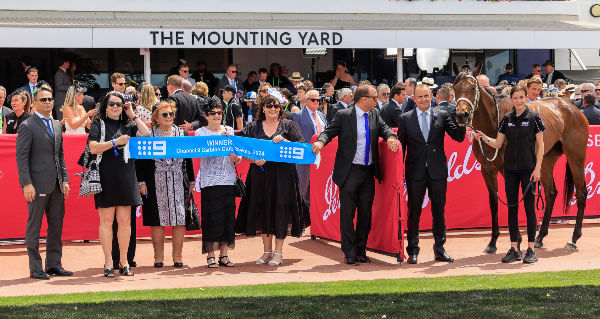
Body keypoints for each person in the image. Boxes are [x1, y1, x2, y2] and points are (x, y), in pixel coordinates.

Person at [312, 85, 399, 265]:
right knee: (348, 214)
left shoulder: (375, 114)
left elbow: (385, 129)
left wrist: (391, 137)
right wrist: (320, 142)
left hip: (368, 171)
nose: (377, 101)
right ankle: (349, 251)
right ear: (363, 99)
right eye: (374, 98)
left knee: (365, 214)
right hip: (349, 171)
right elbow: (329, 132)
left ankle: (361, 249)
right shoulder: (344, 116)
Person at [235, 95, 309, 267]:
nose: (273, 109)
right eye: (269, 106)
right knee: (262, 209)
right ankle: (266, 252)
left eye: (276, 106)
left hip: (283, 176)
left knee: (281, 209)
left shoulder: (288, 126)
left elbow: (301, 148)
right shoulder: (253, 127)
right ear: (263, 108)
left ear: (280, 108)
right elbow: (242, 148)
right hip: (260, 176)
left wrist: (286, 142)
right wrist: (253, 160)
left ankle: (278, 252)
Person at [474, 85, 545, 264]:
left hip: (528, 170)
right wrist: (483, 137)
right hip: (510, 170)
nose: (519, 101)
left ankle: (530, 249)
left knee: (529, 210)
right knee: (512, 209)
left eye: (522, 97)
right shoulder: (506, 119)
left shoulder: (534, 117)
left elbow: (541, 145)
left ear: (526, 98)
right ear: (511, 99)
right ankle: (514, 249)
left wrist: (538, 168)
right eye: (516, 98)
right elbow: (498, 144)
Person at [397, 84, 466, 264]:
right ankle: (412, 250)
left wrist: (461, 120)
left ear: (432, 96)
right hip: (415, 172)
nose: (423, 100)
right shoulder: (405, 118)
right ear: (414, 98)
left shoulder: (441, 115)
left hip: (437, 171)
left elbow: (458, 137)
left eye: (426, 96)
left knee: (438, 211)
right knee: (414, 212)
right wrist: (398, 173)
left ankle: (439, 249)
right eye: (420, 97)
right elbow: (401, 149)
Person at [88, 92, 151, 277]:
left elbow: (146, 134)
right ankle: (108, 262)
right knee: (106, 222)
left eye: (119, 104)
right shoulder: (98, 124)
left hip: (126, 177)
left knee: (125, 223)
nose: (115, 107)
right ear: (105, 106)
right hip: (106, 177)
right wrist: (115, 142)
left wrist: (132, 114)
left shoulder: (128, 124)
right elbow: (93, 147)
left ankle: (124, 262)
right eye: (111, 104)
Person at [15, 84, 72, 279]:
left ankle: (54, 265)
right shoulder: (27, 126)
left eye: (50, 99)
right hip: (36, 185)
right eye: (43, 100)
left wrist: (65, 179)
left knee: (56, 225)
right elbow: (21, 158)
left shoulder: (57, 124)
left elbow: (61, 155)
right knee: (34, 227)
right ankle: (36, 268)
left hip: (57, 185)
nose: (47, 102)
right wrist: (26, 183)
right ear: (35, 103)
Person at [137, 100, 194, 268]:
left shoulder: (181, 134)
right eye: (165, 114)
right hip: (154, 180)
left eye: (171, 114)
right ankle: (158, 257)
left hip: (178, 179)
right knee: (157, 219)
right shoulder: (148, 135)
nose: (169, 117)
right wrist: (141, 181)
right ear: (156, 117)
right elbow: (139, 160)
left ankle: (178, 257)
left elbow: (188, 157)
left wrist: (191, 180)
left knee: (179, 218)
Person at [195, 99, 241, 268]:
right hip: (210, 182)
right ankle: (210, 256)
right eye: (212, 113)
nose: (216, 116)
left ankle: (224, 255)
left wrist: (236, 158)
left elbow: (237, 153)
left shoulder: (229, 130)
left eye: (219, 113)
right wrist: (218, 142)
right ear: (206, 115)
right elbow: (202, 152)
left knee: (228, 219)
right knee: (211, 218)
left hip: (228, 180)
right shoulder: (201, 132)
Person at [292, 89, 327, 209]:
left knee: (318, 188)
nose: (316, 102)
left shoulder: (322, 115)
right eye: (313, 100)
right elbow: (295, 135)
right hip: (304, 155)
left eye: (318, 100)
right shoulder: (298, 115)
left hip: (322, 156)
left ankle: (313, 216)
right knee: (302, 186)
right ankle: (298, 216)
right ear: (306, 101)